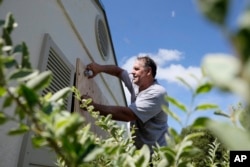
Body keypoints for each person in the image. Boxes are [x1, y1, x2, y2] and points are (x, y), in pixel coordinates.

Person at [81, 56, 169, 153]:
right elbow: (119, 72)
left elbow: (128, 115)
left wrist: (92, 106)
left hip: (159, 155)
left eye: (136, 69)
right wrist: (99, 68)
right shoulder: (136, 83)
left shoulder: (157, 93)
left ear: (148, 71)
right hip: (141, 153)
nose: (132, 72)